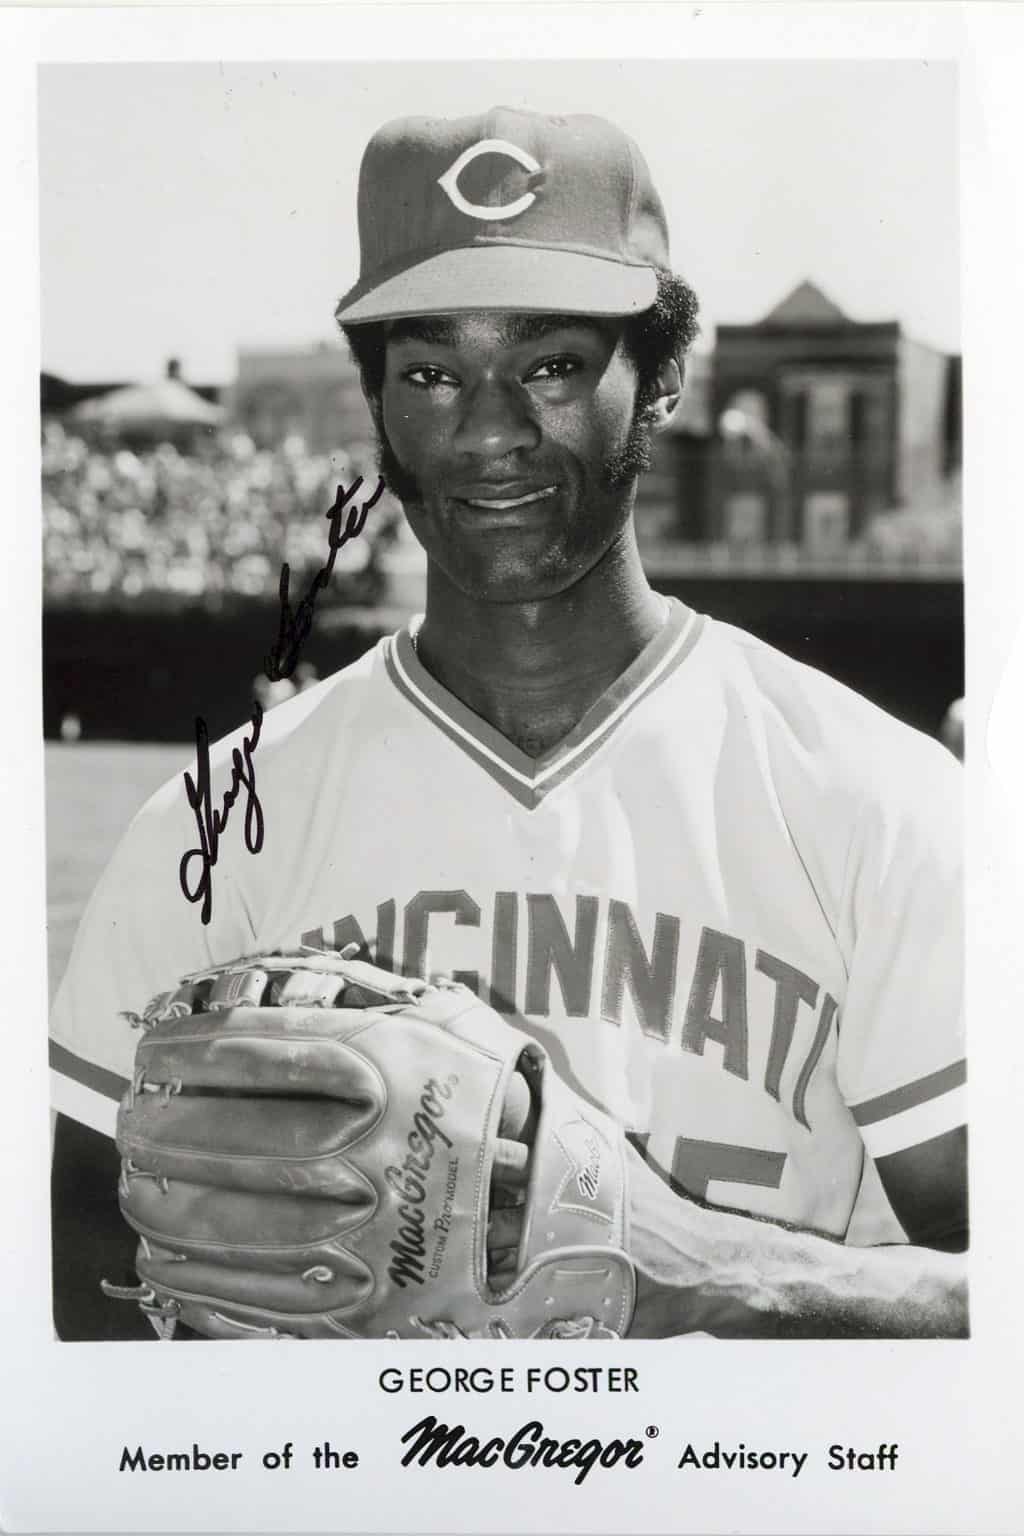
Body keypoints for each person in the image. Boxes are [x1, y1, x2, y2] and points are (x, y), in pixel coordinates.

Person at [50, 107, 966, 1340]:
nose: (488, 429)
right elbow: (73, 1306)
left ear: (664, 380)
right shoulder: (217, 826)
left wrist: (700, 1265)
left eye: (550, 364)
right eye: (430, 373)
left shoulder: (875, 800)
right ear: (375, 400)